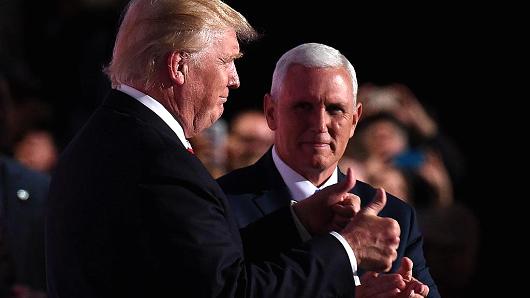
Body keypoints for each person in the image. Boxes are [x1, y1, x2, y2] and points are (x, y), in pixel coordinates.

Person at [46, 1, 401, 297]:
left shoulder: (110, 136)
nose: (235, 79)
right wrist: (346, 248)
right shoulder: (159, 163)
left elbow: (192, 266)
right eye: (226, 60)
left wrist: (296, 223)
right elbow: (229, 291)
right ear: (179, 66)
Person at [217, 43, 439, 297]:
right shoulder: (221, 204)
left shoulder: (396, 217)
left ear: (354, 120)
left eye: (335, 109)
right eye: (303, 107)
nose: (320, 124)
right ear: (271, 112)